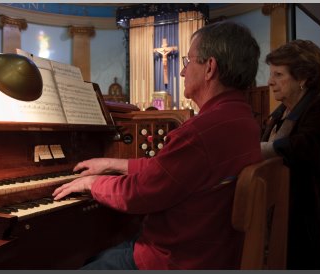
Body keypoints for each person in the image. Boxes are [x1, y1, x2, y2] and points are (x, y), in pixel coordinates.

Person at [52, 21, 262, 270]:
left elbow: (139, 194)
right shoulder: (242, 120)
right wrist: (113, 163)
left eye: (188, 61)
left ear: (209, 68)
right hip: (212, 251)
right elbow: (173, 171)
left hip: (176, 259)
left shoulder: (200, 131)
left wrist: (92, 183)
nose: (182, 72)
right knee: (93, 254)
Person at [260, 39, 320, 269]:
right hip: (280, 218)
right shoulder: (278, 114)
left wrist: (260, 149)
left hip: (310, 225)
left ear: (303, 79)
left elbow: (306, 147)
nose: (270, 82)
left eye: (278, 75)